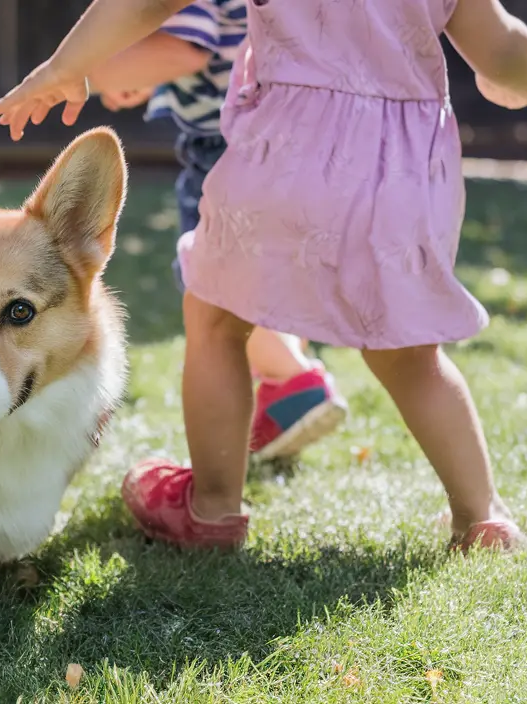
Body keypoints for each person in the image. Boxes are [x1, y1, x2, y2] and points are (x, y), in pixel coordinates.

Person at [0, 0, 527, 551]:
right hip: (402, 170)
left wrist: (66, 67)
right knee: (410, 357)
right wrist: (523, 81)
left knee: (215, 320)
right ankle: (481, 517)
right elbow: (502, 51)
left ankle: (212, 509)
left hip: (287, 153)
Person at [89, 0, 347, 460]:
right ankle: (280, 397)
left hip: (227, 145)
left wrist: (81, 73)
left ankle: (293, 380)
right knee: (268, 278)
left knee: (211, 285)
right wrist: (147, 77)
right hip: (295, 133)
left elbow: (185, 47)